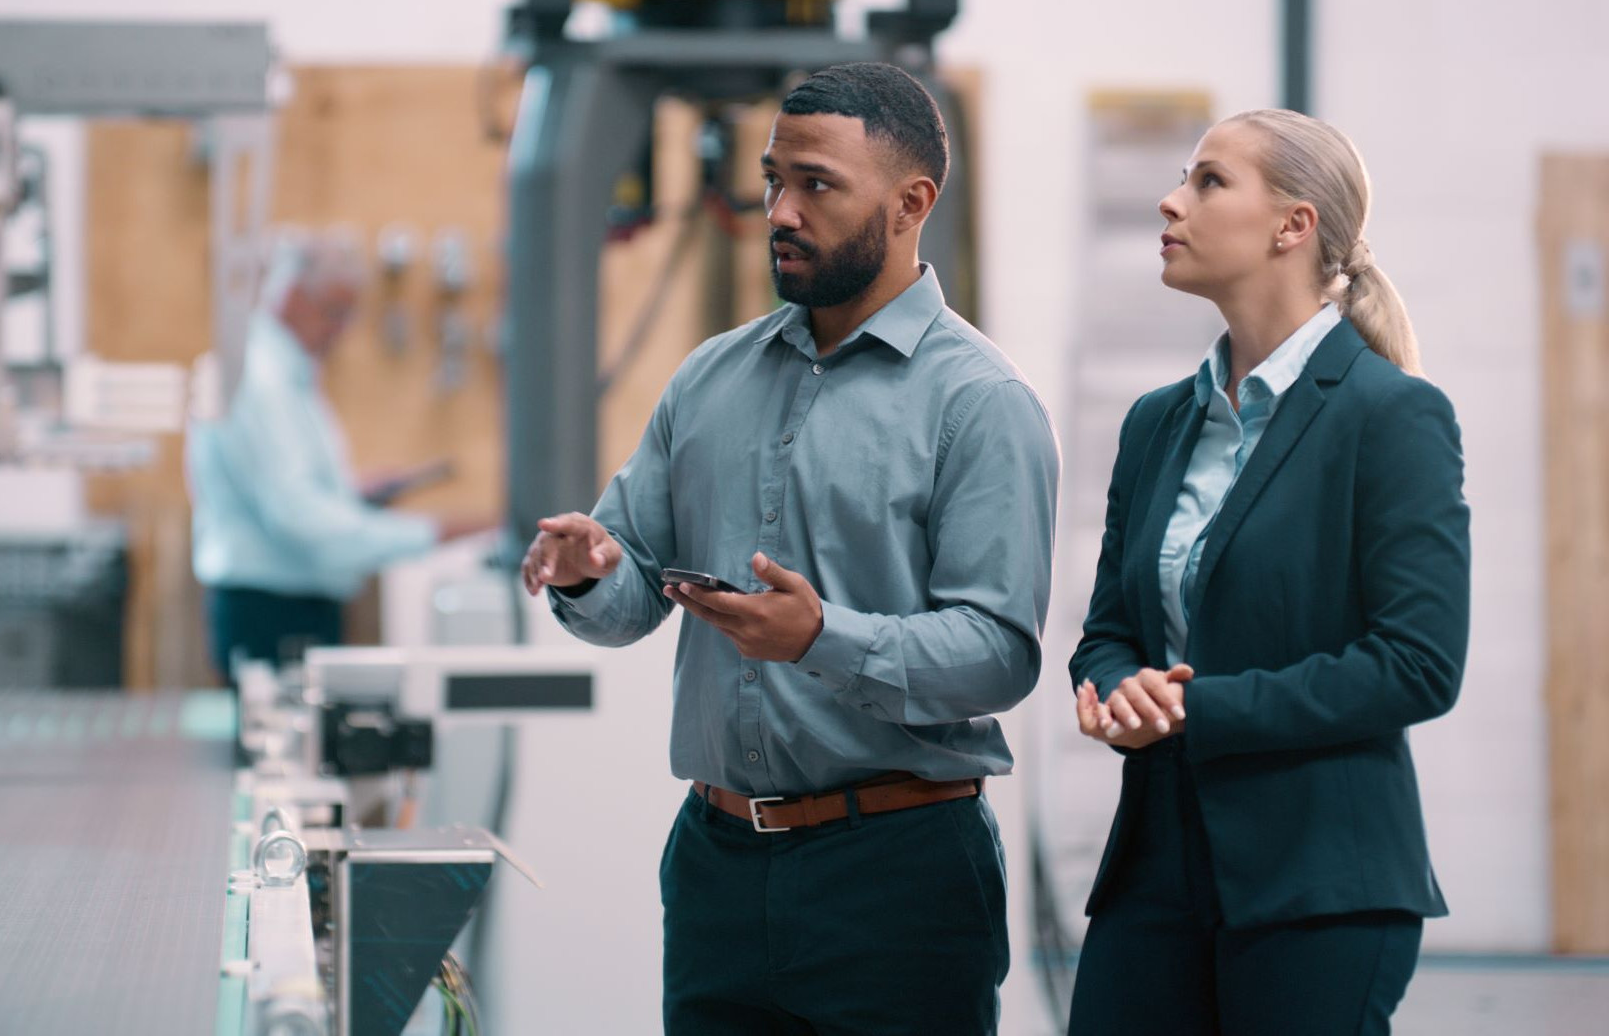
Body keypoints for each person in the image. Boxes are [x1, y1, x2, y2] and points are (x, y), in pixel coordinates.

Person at [521, 63, 1059, 1035]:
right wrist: (591, 570)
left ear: (909, 204)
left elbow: (997, 654)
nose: (779, 209)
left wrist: (819, 637)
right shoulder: (708, 379)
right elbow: (634, 584)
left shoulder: (979, 405)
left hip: (896, 873)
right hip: (716, 863)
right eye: (772, 179)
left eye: (816, 185)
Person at [1066, 109, 1469, 1035]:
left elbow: (1416, 664)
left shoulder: (1390, 415)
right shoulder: (1156, 422)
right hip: (1152, 873)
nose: (1172, 200)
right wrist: (1116, 689)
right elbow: (1108, 631)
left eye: (1210, 182)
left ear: (1292, 225)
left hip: (1319, 884)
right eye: (1183, 177)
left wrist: (1190, 708)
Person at [187, 230, 446, 680]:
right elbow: (299, 519)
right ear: (290, 298)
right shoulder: (258, 380)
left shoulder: (288, 376)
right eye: (334, 312)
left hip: (290, 604)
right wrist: (434, 534)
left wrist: (347, 493)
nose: (340, 330)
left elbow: (289, 486)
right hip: (271, 610)